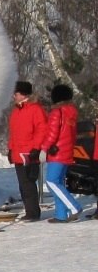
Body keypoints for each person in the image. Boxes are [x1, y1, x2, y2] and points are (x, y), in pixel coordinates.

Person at [40, 83, 83, 223]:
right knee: (59, 183)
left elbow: (52, 134)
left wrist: (44, 148)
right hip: (67, 151)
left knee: (51, 181)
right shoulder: (71, 112)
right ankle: (61, 214)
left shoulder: (56, 113)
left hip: (57, 152)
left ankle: (74, 207)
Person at [7, 79, 48, 222]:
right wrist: (10, 149)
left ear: (23, 94)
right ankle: (29, 210)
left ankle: (33, 212)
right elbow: (13, 133)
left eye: (16, 93)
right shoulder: (16, 111)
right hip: (18, 152)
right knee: (23, 184)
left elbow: (42, 129)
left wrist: (36, 148)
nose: (14, 96)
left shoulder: (35, 109)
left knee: (29, 184)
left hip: (29, 152)